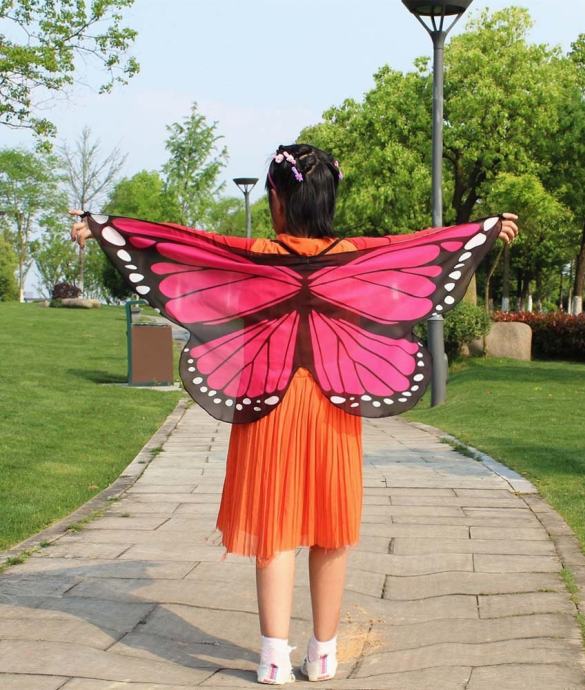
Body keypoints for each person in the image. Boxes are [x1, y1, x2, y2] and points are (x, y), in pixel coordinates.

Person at [69, 143, 518, 685]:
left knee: (274, 524)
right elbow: (416, 247)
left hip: (267, 397)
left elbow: (184, 248)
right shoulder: (353, 254)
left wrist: (103, 228)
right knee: (332, 525)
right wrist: (484, 231)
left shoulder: (256, 254)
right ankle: (324, 654)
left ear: (277, 199)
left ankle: (272, 657)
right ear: (329, 199)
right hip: (335, 399)